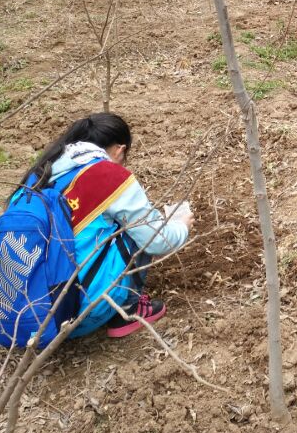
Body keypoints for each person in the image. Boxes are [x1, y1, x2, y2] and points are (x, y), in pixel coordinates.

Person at [17, 113, 193, 338]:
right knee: (134, 227)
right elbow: (157, 241)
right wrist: (181, 225)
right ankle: (128, 310)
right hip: (69, 317)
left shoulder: (41, 172)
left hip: (19, 311)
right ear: (119, 150)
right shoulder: (107, 176)